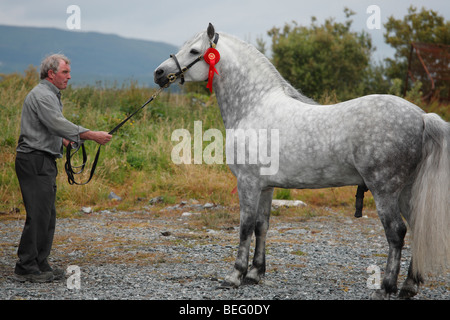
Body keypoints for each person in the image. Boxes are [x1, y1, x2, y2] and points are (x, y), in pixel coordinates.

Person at [14, 53, 112, 283]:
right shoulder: (42, 96)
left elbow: (48, 128)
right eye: (65, 72)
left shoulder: (50, 94)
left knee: (47, 215)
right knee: (38, 215)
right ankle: (25, 267)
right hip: (34, 160)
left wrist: (65, 141)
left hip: (43, 160)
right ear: (51, 74)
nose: (69, 76)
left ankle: (40, 263)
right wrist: (91, 135)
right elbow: (58, 123)